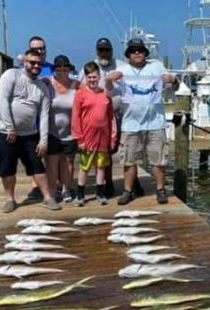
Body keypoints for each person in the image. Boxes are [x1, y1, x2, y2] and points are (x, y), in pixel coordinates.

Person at [106, 38, 178, 205]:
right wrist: (110, 79)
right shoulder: (122, 70)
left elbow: (176, 87)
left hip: (156, 123)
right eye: (133, 50)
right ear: (128, 54)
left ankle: (160, 190)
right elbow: (108, 89)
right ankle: (128, 191)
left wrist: (173, 80)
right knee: (129, 160)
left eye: (139, 49)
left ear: (145, 52)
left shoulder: (157, 66)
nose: (136, 52)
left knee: (158, 160)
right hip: (131, 124)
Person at [0, 48, 60, 213]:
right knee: (7, 166)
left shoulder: (42, 87)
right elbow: (3, 101)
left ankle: (48, 197)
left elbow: (44, 116)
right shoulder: (11, 75)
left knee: (37, 165)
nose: (36, 66)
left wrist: (43, 140)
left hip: (29, 133)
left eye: (39, 63)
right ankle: (10, 199)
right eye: (32, 62)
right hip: (3, 131)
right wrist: (10, 127)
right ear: (24, 62)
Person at [81, 37, 144, 199]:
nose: (104, 53)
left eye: (107, 50)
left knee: (129, 148)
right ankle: (107, 183)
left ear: (112, 51)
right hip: (102, 117)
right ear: (96, 51)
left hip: (124, 114)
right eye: (101, 50)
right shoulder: (89, 68)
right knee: (105, 151)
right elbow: (81, 90)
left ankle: (134, 181)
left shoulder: (122, 67)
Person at [71, 61, 116, 206]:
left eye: (95, 77)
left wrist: (112, 138)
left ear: (99, 77)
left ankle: (100, 193)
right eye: (89, 77)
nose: (92, 80)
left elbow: (110, 117)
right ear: (85, 77)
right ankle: (80, 194)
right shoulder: (80, 94)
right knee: (85, 167)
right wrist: (79, 138)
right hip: (87, 137)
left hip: (103, 137)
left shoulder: (105, 94)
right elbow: (75, 117)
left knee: (101, 167)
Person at [45, 55, 79, 203]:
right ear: (54, 70)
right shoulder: (47, 82)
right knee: (52, 162)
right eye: (58, 69)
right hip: (52, 132)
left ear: (69, 70)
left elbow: (93, 91)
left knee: (68, 162)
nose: (62, 72)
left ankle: (66, 189)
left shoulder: (77, 85)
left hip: (70, 132)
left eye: (65, 69)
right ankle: (53, 190)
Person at [26, 36, 54, 202]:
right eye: (36, 49)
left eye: (42, 48)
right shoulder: (27, 67)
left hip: (49, 118)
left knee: (50, 155)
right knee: (33, 155)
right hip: (30, 119)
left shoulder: (52, 68)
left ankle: (51, 185)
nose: (40, 51)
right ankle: (35, 186)